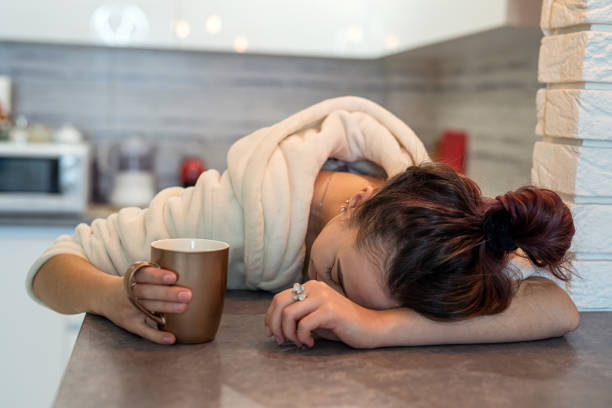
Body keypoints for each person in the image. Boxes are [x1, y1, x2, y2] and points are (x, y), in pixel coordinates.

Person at [26, 97, 579, 348]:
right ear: (361, 200)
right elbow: (50, 265)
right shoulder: (230, 215)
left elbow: (559, 308)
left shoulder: (442, 240)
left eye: (361, 300)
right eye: (335, 274)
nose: (328, 297)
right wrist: (109, 295)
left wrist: (379, 328)